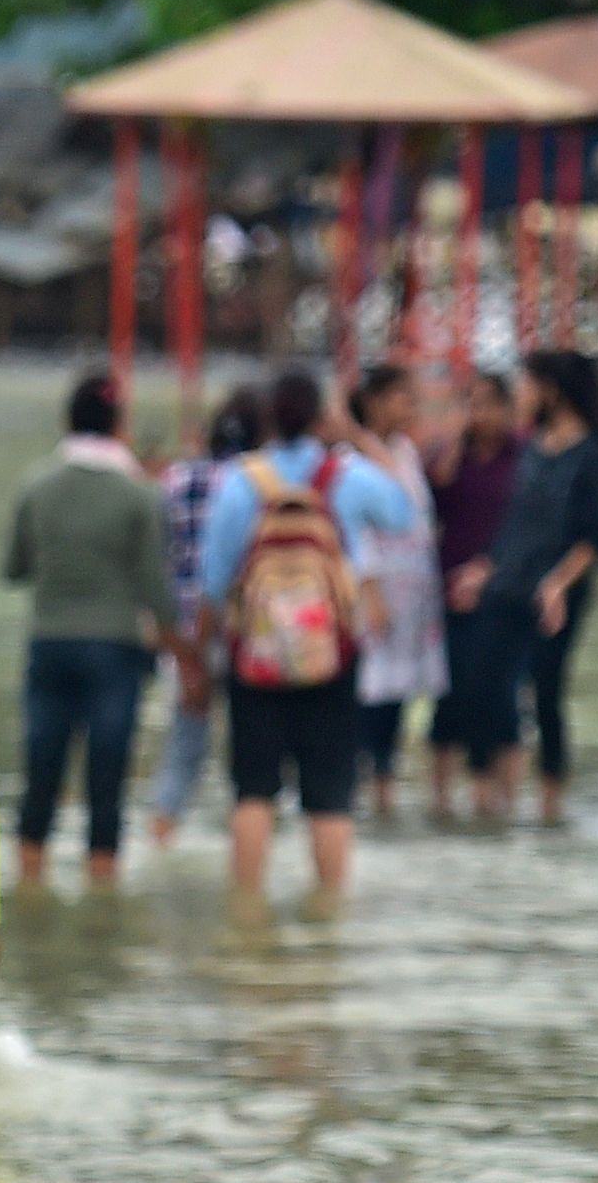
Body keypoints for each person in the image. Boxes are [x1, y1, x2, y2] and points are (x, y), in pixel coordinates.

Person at [198, 366, 417, 900]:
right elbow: (405, 511)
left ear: (268, 417)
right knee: (330, 796)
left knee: (253, 791)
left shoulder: (240, 481)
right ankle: (328, 919)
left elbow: (213, 577)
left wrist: (200, 653)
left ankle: (247, 911)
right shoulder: (347, 476)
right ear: (323, 415)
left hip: (255, 655)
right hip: (332, 656)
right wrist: (358, 439)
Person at [0, 370, 175, 886]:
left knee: (42, 773)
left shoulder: (36, 485)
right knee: (107, 780)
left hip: (48, 644)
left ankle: (30, 886)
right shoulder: (139, 496)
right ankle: (103, 891)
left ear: (67, 421)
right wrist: (181, 649)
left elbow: (13, 569)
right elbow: (154, 587)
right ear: (119, 425)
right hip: (115, 650)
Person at [443, 349, 598, 821]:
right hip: (508, 584)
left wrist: (558, 584)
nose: (521, 393)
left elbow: (596, 537)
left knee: (546, 693)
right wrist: (485, 567)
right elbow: (515, 524)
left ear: (551, 389)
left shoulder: (593, 453)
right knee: (483, 684)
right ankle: (486, 798)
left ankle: (549, 805)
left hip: (556, 594)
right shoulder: (534, 445)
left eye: (527, 383)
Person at [145, 388, 264, 847]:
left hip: (187, 634)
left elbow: (157, 559)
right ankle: (248, 851)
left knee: (185, 745)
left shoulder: (175, 480)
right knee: (253, 752)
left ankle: (161, 832)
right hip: (246, 632)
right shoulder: (257, 483)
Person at [340, 365, 449, 823]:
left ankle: (384, 790)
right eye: (404, 398)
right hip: (377, 589)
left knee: (399, 692)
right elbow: (354, 530)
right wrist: (369, 593)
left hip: (416, 589)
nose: (413, 409)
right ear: (376, 400)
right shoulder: (351, 460)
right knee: (368, 690)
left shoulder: (404, 451)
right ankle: (358, 789)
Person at [428, 369, 525, 810]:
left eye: (487, 403)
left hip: (505, 589)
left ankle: (501, 795)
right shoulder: (453, 456)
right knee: (449, 691)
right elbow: (434, 503)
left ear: (507, 409)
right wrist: (451, 440)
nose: (479, 414)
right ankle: (443, 797)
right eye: (472, 404)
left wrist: (491, 569)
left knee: (500, 694)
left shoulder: (523, 456)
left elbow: (529, 526)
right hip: (449, 586)